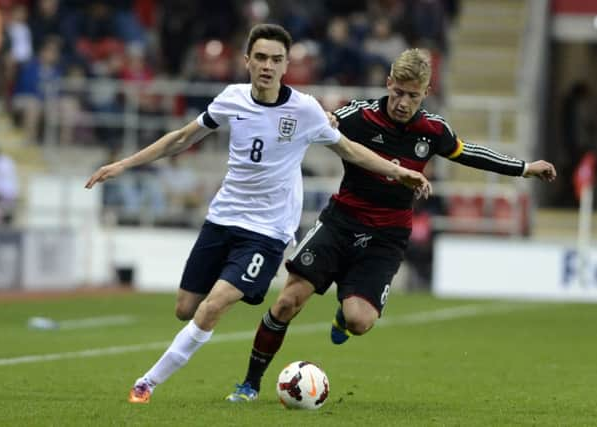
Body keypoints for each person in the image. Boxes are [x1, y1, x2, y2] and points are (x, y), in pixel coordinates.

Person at [84, 24, 431, 404]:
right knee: (186, 308)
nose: (268, 66)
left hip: (267, 231)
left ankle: (146, 383)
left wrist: (399, 171)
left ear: (286, 66)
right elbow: (182, 137)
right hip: (222, 219)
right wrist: (124, 164)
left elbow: (349, 150)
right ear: (247, 61)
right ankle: (217, 310)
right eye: (261, 57)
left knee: (214, 306)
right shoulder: (231, 99)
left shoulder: (304, 109)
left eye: (276, 59)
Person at [226, 47, 557, 402]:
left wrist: (524, 168)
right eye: (397, 92)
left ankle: (343, 315)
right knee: (289, 301)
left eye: (412, 96)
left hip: (387, 236)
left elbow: (470, 153)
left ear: (426, 93)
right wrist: (324, 119)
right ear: (388, 84)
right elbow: (321, 123)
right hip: (340, 222)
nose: (402, 102)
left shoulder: (432, 130)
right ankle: (249, 384)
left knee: (359, 321)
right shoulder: (360, 115)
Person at [0, 145, 19, 225]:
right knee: (5, 216)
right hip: (8, 192)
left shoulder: (2, 162)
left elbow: (1, 179)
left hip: (4, 193)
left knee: (4, 217)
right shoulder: (6, 160)